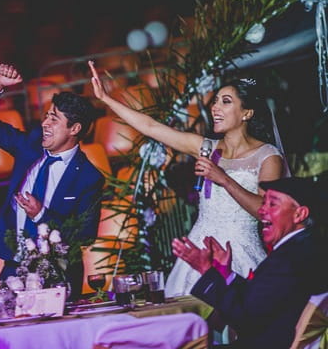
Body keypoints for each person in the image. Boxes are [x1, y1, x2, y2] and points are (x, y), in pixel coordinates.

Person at [90, 62, 285, 296]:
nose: (215, 107)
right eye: (214, 101)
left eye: (226, 101)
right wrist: (106, 98)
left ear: (247, 113)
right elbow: (151, 127)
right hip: (199, 250)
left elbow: (264, 211)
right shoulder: (205, 147)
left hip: (241, 252)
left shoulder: (268, 156)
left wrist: (223, 179)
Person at [0, 63, 105, 297]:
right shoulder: (29, 147)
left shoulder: (89, 177)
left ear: (74, 128)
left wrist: (41, 215)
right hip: (14, 270)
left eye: (54, 119)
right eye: (46, 116)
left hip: (59, 273)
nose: (45, 123)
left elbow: (84, 234)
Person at [172, 176, 328, 348]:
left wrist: (206, 271)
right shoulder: (306, 247)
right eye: (264, 203)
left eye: (272, 204)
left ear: (300, 214)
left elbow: (244, 319)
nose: (262, 210)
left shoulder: (289, 259)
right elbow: (261, 301)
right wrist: (225, 273)